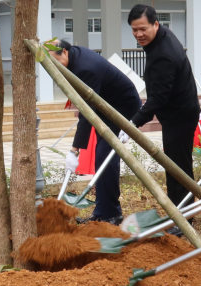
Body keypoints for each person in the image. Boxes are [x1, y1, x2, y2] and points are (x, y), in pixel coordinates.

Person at [127, 5, 200, 231]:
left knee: (176, 166)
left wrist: (132, 123)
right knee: (180, 164)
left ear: (155, 25)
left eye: (143, 29)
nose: (139, 34)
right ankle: (185, 212)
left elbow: (158, 98)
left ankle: (181, 219)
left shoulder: (163, 56)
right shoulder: (163, 35)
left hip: (180, 114)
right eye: (134, 30)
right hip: (181, 110)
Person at [53, 40, 142, 224]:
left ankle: (112, 214)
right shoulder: (74, 57)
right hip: (106, 106)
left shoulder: (86, 69)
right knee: (101, 157)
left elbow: (86, 112)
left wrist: (75, 150)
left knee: (105, 155)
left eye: (55, 61)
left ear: (64, 51)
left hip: (122, 108)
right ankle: (101, 211)